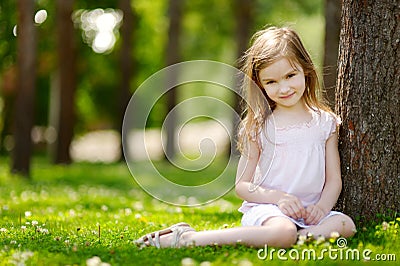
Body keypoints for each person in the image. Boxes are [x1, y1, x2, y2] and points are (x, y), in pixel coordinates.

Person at [135, 26, 356, 249]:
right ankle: (188, 238)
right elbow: (243, 185)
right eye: (271, 82)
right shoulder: (259, 126)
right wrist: (278, 198)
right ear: (260, 84)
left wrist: (321, 208)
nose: (284, 88)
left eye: (290, 75)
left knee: (345, 224)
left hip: (309, 211)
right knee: (283, 230)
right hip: (269, 208)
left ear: (306, 70)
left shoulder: (325, 123)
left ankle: (298, 237)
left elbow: (333, 180)